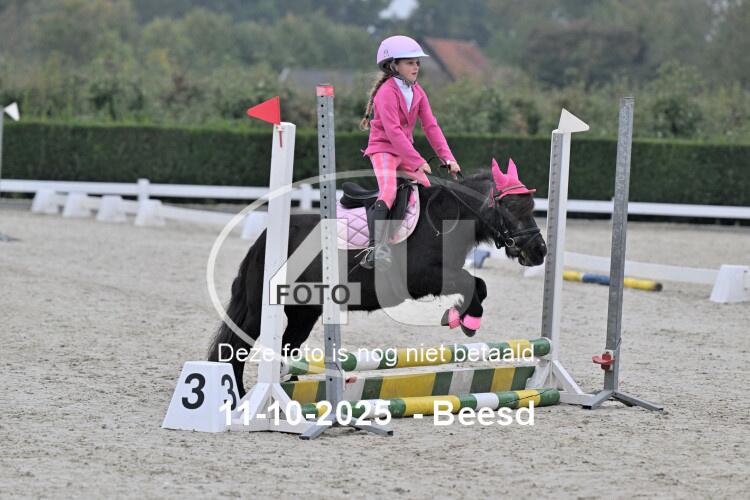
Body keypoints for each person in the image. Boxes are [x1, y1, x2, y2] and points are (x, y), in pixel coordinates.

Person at [359, 35, 461, 271]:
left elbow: (431, 126)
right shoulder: (386, 92)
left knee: (426, 189)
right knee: (388, 192)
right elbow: (393, 132)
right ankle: (375, 248)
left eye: (417, 63)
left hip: (404, 153)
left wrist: (448, 158)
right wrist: (417, 161)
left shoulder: (418, 91)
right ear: (393, 65)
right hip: (383, 149)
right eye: (409, 63)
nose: (416, 67)